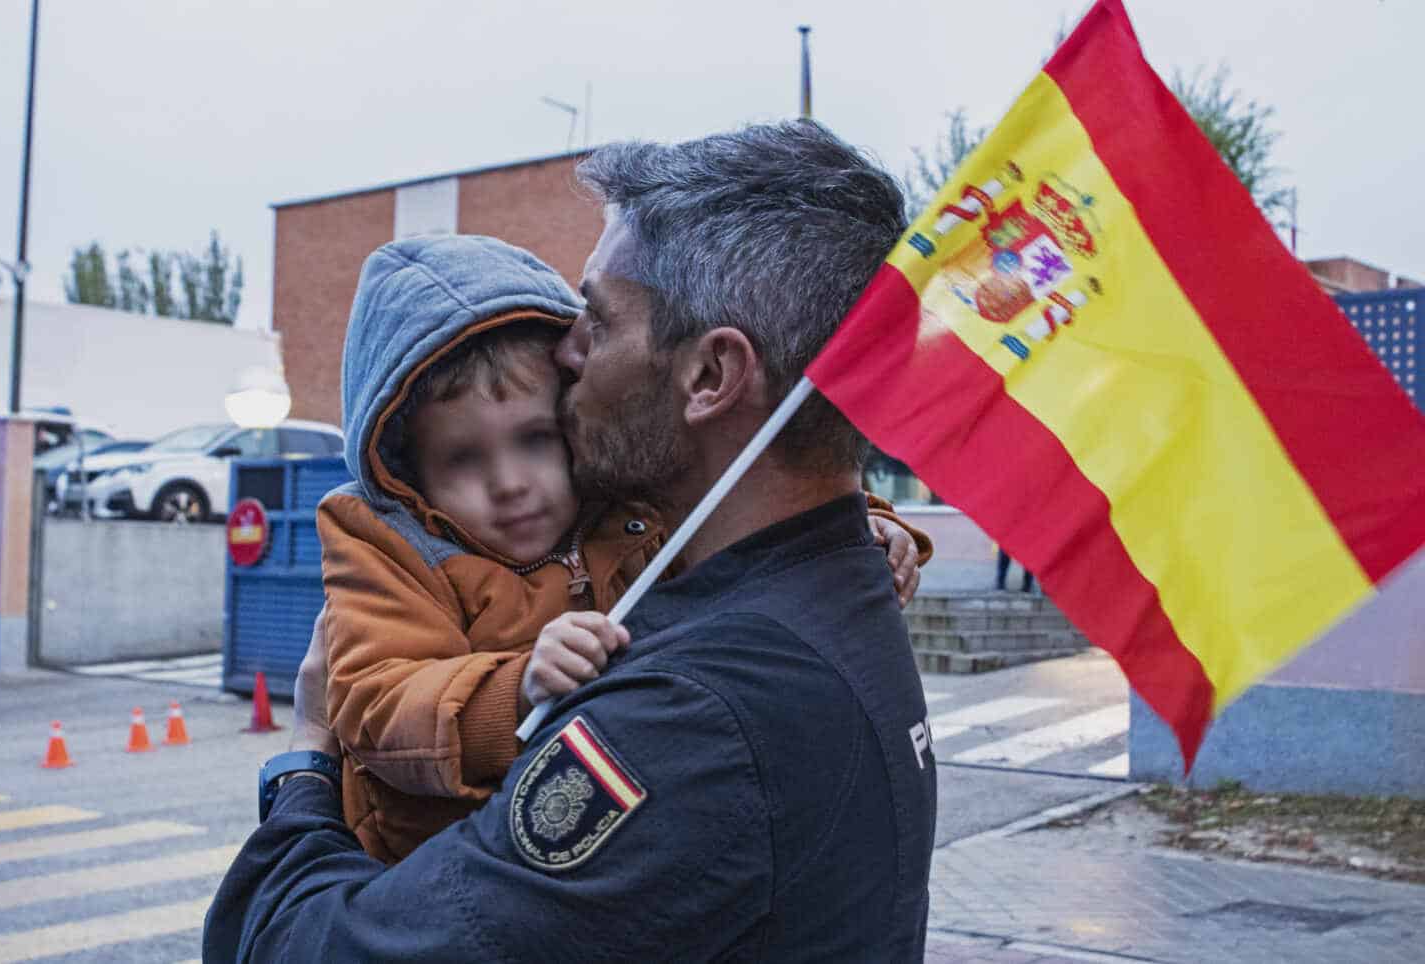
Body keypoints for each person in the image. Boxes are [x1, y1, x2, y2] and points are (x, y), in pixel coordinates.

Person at [205, 120, 938, 961]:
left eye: (598, 317)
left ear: (708, 376)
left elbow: (295, 948)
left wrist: (304, 761)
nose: (569, 350)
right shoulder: (835, 583)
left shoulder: (687, 722)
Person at [316, 234, 926, 863]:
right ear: (406, 469)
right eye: (463, 459)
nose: (511, 483)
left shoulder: (621, 495)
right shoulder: (387, 541)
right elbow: (376, 701)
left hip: (614, 835)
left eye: (535, 439)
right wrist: (517, 687)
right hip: (436, 864)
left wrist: (867, 523)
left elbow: (737, 500)